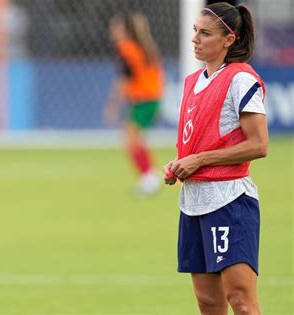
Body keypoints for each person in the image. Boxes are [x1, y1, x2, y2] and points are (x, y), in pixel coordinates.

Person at [163, 3, 268, 314]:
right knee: (208, 303)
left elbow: (259, 145)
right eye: (195, 30)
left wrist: (199, 160)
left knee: (241, 301)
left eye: (205, 33)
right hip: (194, 201)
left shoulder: (241, 79)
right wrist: (179, 163)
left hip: (230, 202)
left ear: (228, 40)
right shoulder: (192, 83)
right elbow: (199, 143)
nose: (195, 38)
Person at [103, 12, 165, 196]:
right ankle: (149, 176)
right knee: (135, 139)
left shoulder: (126, 49)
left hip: (142, 100)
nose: (112, 30)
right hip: (151, 99)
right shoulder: (145, 47)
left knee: (130, 140)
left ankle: (148, 178)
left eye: (115, 27)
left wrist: (112, 105)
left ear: (124, 30)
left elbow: (123, 81)